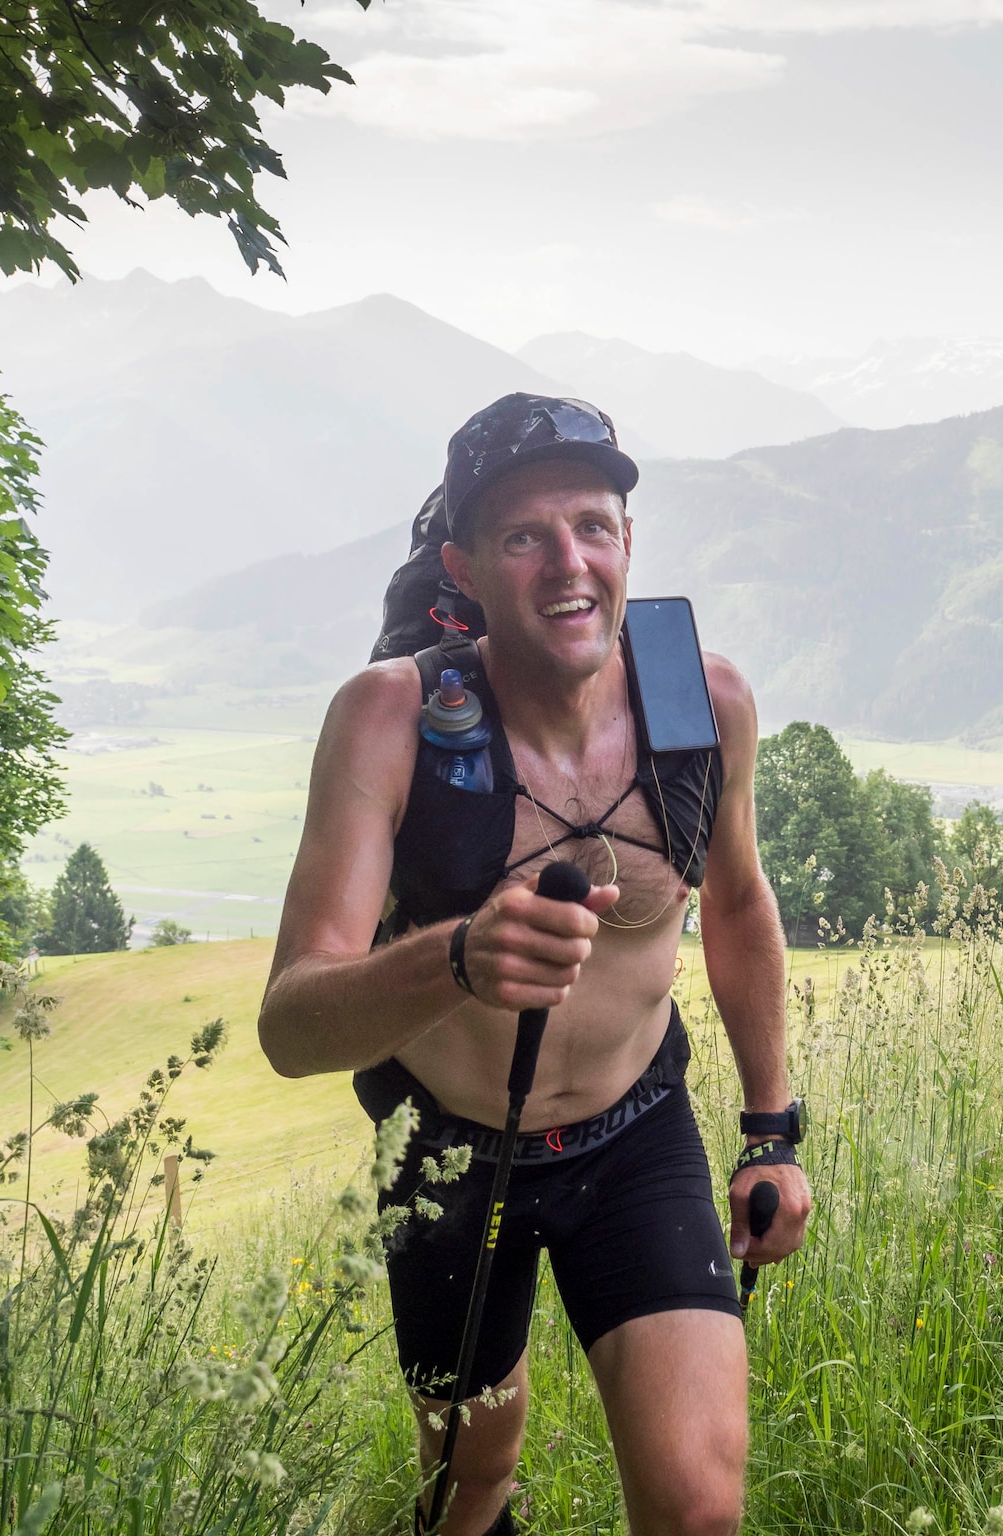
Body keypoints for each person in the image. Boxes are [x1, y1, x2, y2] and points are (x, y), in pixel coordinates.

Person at [257, 394, 811, 1536]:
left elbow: (739, 904)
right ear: (464, 567)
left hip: (633, 1134)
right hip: (450, 1158)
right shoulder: (388, 721)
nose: (570, 561)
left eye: (594, 526)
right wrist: (458, 958)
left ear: (625, 543)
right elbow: (289, 1024)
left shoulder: (700, 703)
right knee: (470, 1485)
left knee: (699, 1506)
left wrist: (771, 1131)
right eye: (524, 535)